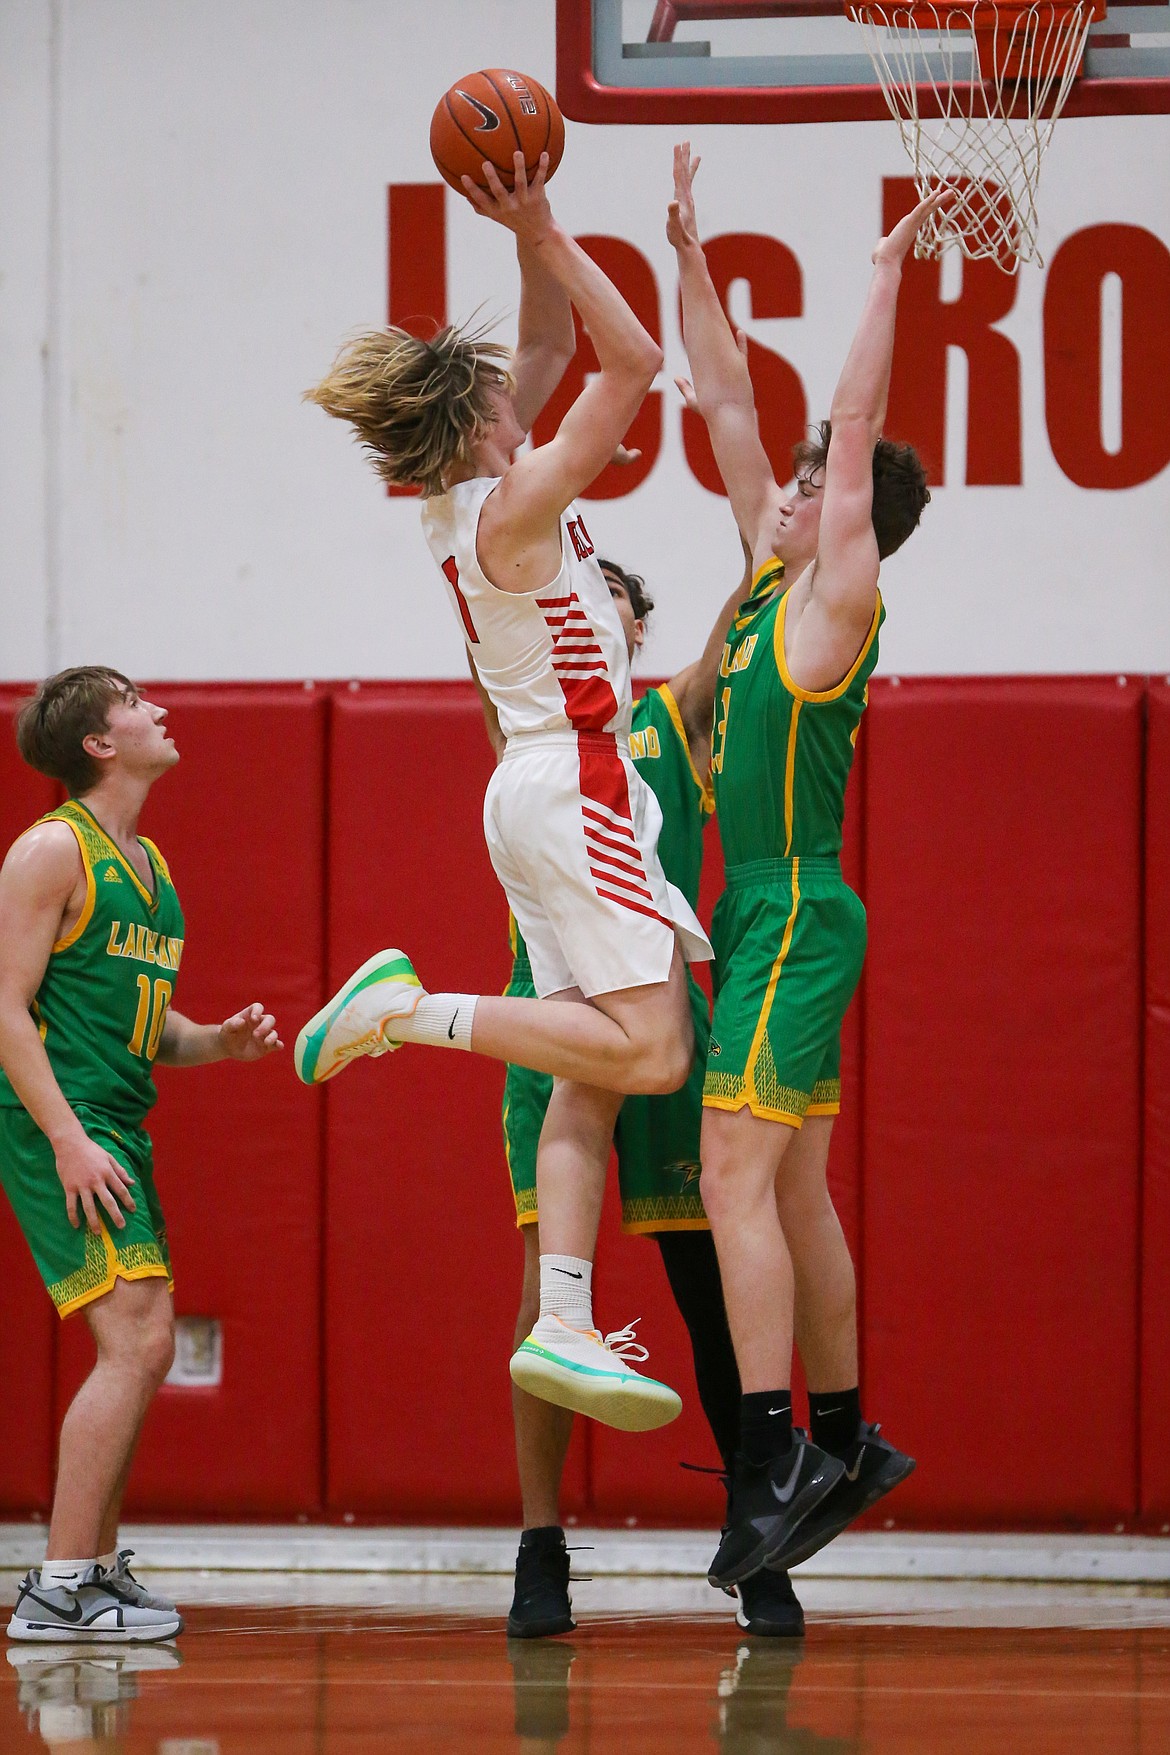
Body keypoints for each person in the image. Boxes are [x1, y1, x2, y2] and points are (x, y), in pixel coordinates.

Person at [298, 151, 712, 1432]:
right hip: (580, 781)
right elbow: (633, 362)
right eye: (502, 387)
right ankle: (407, 1013)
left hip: (540, 789)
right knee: (653, 1048)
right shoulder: (518, 501)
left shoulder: (469, 488)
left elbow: (542, 334)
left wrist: (523, 228)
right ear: (482, 414)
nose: (519, 380)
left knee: (584, 1062)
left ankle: (568, 1318)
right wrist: (543, 221)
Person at [667, 145, 945, 1587]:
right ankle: (845, 1436)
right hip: (765, 908)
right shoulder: (769, 576)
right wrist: (690, 257)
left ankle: (770, 1458)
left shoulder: (837, 596)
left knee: (730, 1175)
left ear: (839, 514)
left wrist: (887, 268)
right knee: (791, 1192)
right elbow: (721, 397)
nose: (778, 483)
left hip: (791, 905)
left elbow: (847, 417)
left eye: (806, 481)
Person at [488, 551, 805, 1639]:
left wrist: (782, 532)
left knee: (712, 1289)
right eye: (579, 601)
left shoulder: (680, 712)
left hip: (665, 1010)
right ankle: (539, 1548)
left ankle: (756, 1534)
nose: (593, 611)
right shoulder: (530, 715)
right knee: (545, 1299)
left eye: (613, 600)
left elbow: (750, 612)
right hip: (559, 1013)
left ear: (632, 624)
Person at [0, 667, 283, 1642]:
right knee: (140, 1340)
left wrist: (220, 1042)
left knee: (139, 1344)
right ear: (99, 742)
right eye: (134, 701)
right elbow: (4, 1008)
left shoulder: (152, 866)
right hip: (62, 1123)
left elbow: (148, 1030)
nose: (159, 708)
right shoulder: (49, 851)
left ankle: (96, 1570)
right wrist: (67, 1138)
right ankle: (59, 1588)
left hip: (118, 1119)